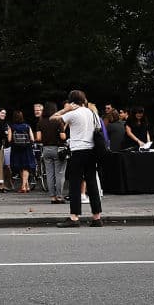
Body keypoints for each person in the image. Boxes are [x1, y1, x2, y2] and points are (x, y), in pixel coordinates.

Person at [52, 89, 103, 227]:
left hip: (78, 151)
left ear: (71, 101)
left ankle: (74, 218)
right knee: (92, 183)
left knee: (75, 184)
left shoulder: (73, 114)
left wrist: (65, 110)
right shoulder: (93, 114)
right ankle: (97, 217)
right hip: (92, 151)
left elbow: (52, 119)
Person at [37, 101, 68, 204]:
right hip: (58, 149)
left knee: (49, 174)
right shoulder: (58, 120)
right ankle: (59, 196)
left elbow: (38, 137)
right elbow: (62, 136)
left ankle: (52, 197)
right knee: (59, 174)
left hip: (46, 149)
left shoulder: (40, 122)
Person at [8, 110, 36, 193]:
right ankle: (26, 186)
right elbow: (32, 139)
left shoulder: (11, 127)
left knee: (20, 167)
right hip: (26, 149)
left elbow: (9, 139)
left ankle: (23, 186)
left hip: (16, 149)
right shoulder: (27, 126)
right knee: (26, 167)